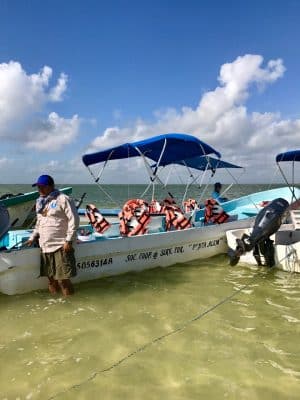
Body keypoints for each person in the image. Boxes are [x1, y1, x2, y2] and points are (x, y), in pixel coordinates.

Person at [27, 175, 79, 296]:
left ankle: (71, 306)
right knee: (50, 280)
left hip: (60, 245)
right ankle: (55, 305)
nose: (39, 189)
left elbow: (74, 220)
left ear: (51, 186)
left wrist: (69, 241)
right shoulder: (40, 202)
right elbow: (39, 222)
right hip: (45, 245)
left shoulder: (63, 199)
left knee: (63, 281)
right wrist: (32, 237)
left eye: (42, 187)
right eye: (38, 187)